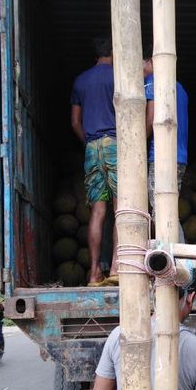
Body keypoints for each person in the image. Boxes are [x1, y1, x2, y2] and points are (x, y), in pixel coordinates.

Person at [71, 35, 118, 286]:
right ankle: (116, 270)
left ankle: (93, 273)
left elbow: (75, 122)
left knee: (98, 212)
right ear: (114, 53)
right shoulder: (118, 77)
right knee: (122, 211)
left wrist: (89, 143)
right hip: (115, 144)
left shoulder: (81, 80)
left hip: (91, 147)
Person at [144, 56, 189, 213]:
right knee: (168, 213)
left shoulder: (152, 80)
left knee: (161, 214)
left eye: (141, 65)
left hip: (161, 157)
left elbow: (150, 119)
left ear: (150, 61)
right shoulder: (180, 88)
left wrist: (136, 146)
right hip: (179, 158)